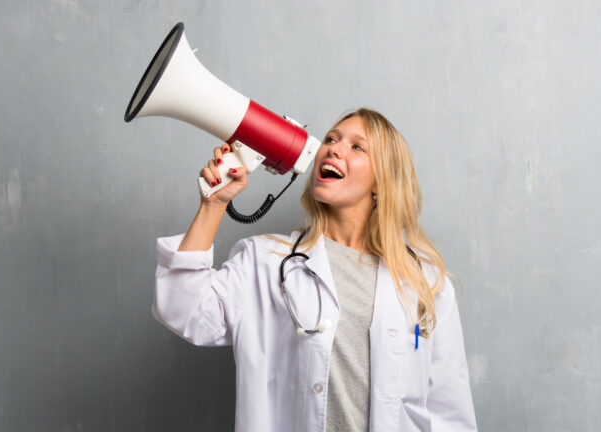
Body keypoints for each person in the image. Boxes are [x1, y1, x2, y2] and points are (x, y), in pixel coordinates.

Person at [153, 108, 477, 431]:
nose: (333, 148)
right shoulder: (265, 260)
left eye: (357, 146)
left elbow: (450, 412)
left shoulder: (424, 282)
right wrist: (213, 205)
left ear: (381, 182)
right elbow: (184, 310)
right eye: (331, 139)